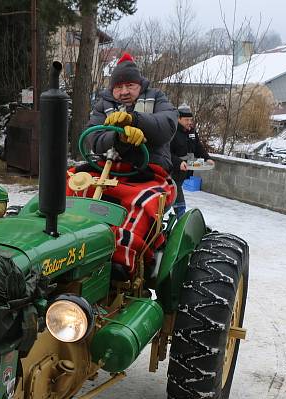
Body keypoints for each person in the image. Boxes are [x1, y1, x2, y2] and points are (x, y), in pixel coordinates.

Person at [69, 53, 178, 278]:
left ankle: (121, 259)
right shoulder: (103, 105)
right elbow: (94, 138)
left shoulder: (157, 98)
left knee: (142, 202)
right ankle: (63, 237)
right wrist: (117, 139)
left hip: (146, 173)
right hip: (104, 168)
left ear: (140, 85)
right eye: (118, 86)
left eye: (130, 85)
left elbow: (166, 126)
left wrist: (135, 120)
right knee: (70, 182)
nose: (124, 91)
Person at [170, 104, 214, 217]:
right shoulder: (171, 131)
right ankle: (181, 215)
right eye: (186, 120)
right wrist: (178, 162)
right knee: (175, 189)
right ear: (178, 119)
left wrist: (207, 158)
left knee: (174, 191)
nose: (190, 122)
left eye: (191, 119)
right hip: (171, 170)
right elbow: (165, 152)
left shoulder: (192, 132)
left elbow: (198, 147)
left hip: (185, 170)